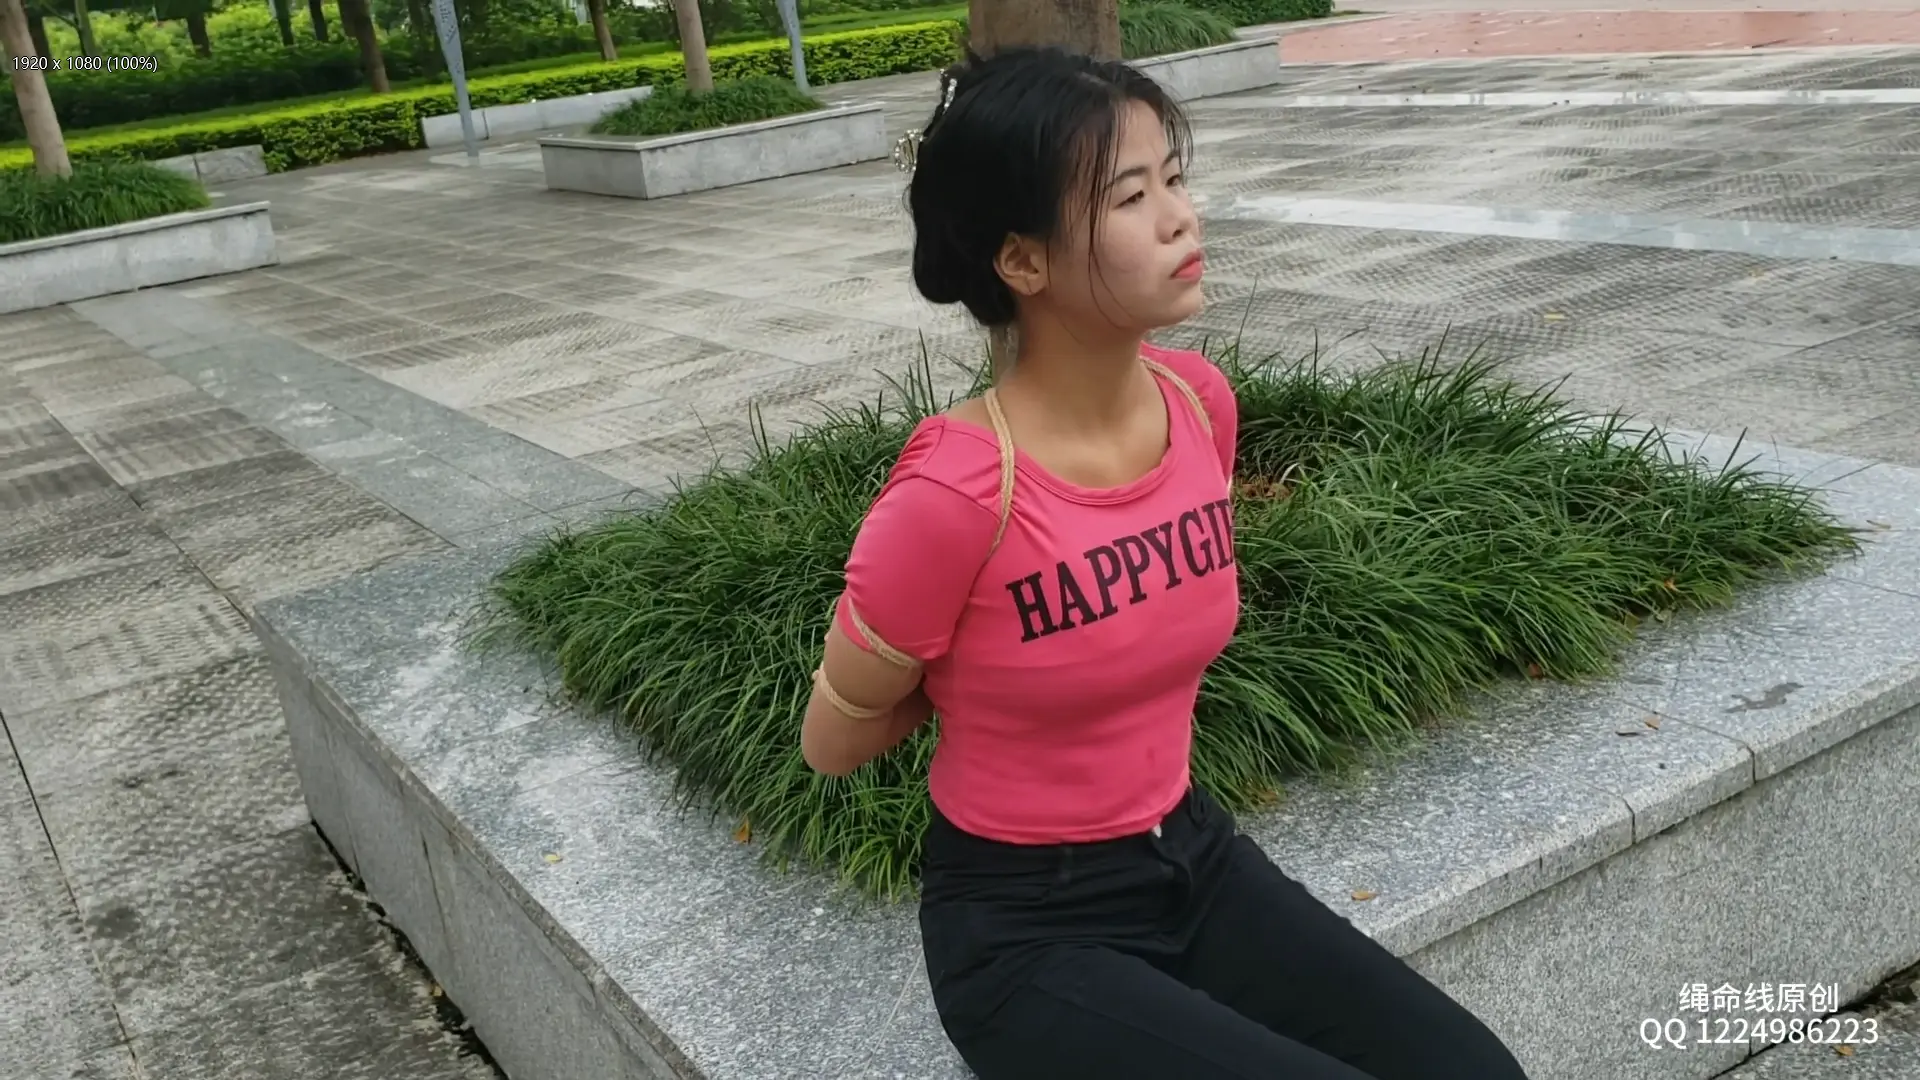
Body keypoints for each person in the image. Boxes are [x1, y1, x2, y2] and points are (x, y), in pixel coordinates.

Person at [800, 46, 1532, 1080]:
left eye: (1175, 179)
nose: (1180, 218)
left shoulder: (1198, 406)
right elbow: (832, 742)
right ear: (1023, 261)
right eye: (1130, 197)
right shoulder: (953, 497)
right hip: (1026, 931)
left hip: (1195, 858)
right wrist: (966, 676)